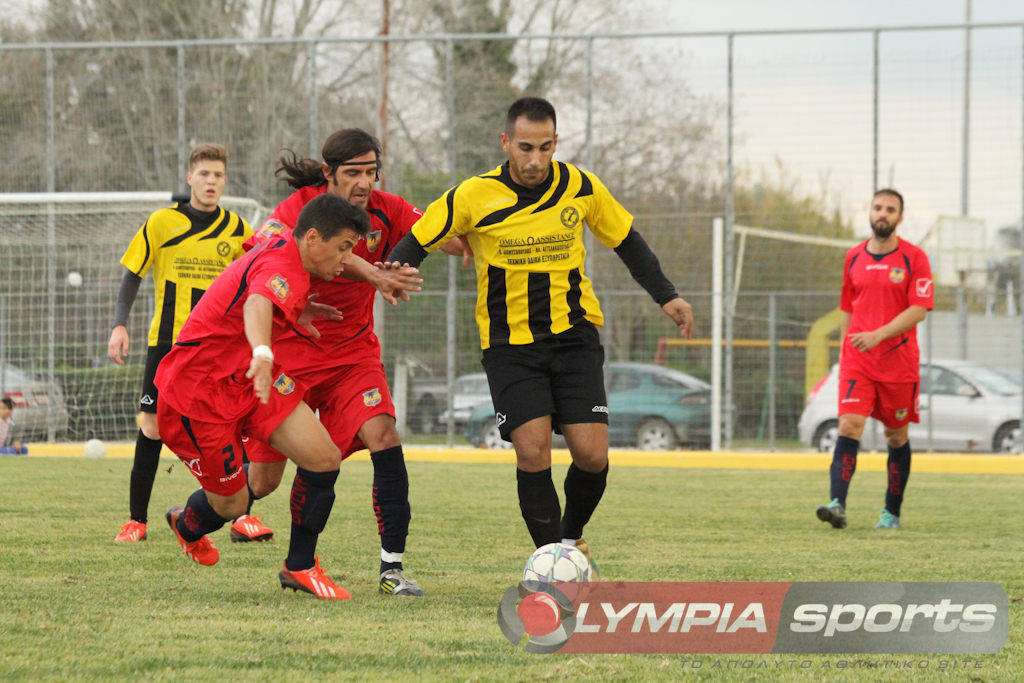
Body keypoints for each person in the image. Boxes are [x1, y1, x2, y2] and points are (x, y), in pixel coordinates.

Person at [386, 96, 693, 562]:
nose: (535, 160)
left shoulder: (579, 186)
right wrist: (392, 274)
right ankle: (554, 560)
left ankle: (570, 537)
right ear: (506, 142)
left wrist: (667, 295)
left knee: (592, 457)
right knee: (532, 453)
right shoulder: (473, 194)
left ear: (556, 143)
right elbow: (419, 238)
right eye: (525, 147)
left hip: (575, 337)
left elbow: (626, 239)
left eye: (545, 147)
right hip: (510, 345)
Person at [242, 128, 464, 596]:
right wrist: (375, 274)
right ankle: (200, 513)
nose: (364, 182)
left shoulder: (389, 208)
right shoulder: (297, 210)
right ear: (328, 174)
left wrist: (470, 238)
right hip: (294, 354)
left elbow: (443, 234)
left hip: (353, 355)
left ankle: (392, 569)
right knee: (260, 483)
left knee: (384, 435)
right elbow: (264, 259)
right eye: (353, 173)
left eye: (371, 171)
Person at [155, 192, 370, 600]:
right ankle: (187, 524)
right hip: (199, 394)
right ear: (312, 238)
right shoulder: (282, 263)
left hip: (253, 381)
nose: (346, 260)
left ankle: (300, 567)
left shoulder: (289, 252)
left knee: (323, 458)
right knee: (233, 507)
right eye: (343, 248)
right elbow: (257, 302)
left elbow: (257, 293)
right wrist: (264, 350)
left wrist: (293, 312)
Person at [109, 143, 255, 544]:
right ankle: (137, 520)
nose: (211, 182)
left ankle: (242, 517)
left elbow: (253, 284)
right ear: (190, 177)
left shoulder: (238, 230)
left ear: (226, 180)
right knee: (152, 427)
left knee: (234, 422)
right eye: (204, 174)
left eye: (219, 175)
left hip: (218, 350)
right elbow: (132, 275)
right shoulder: (161, 223)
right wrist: (120, 325)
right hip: (168, 344)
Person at [816, 188, 933, 530]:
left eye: (890, 209)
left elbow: (919, 309)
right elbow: (847, 308)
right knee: (849, 425)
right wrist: (845, 352)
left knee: (895, 437)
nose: (883, 213)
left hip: (898, 363)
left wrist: (878, 335)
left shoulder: (915, 258)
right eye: (878, 207)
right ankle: (837, 504)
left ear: (900, 217)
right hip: (858, 362)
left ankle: (891, 512)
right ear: (870, 212)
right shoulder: (853, 257)